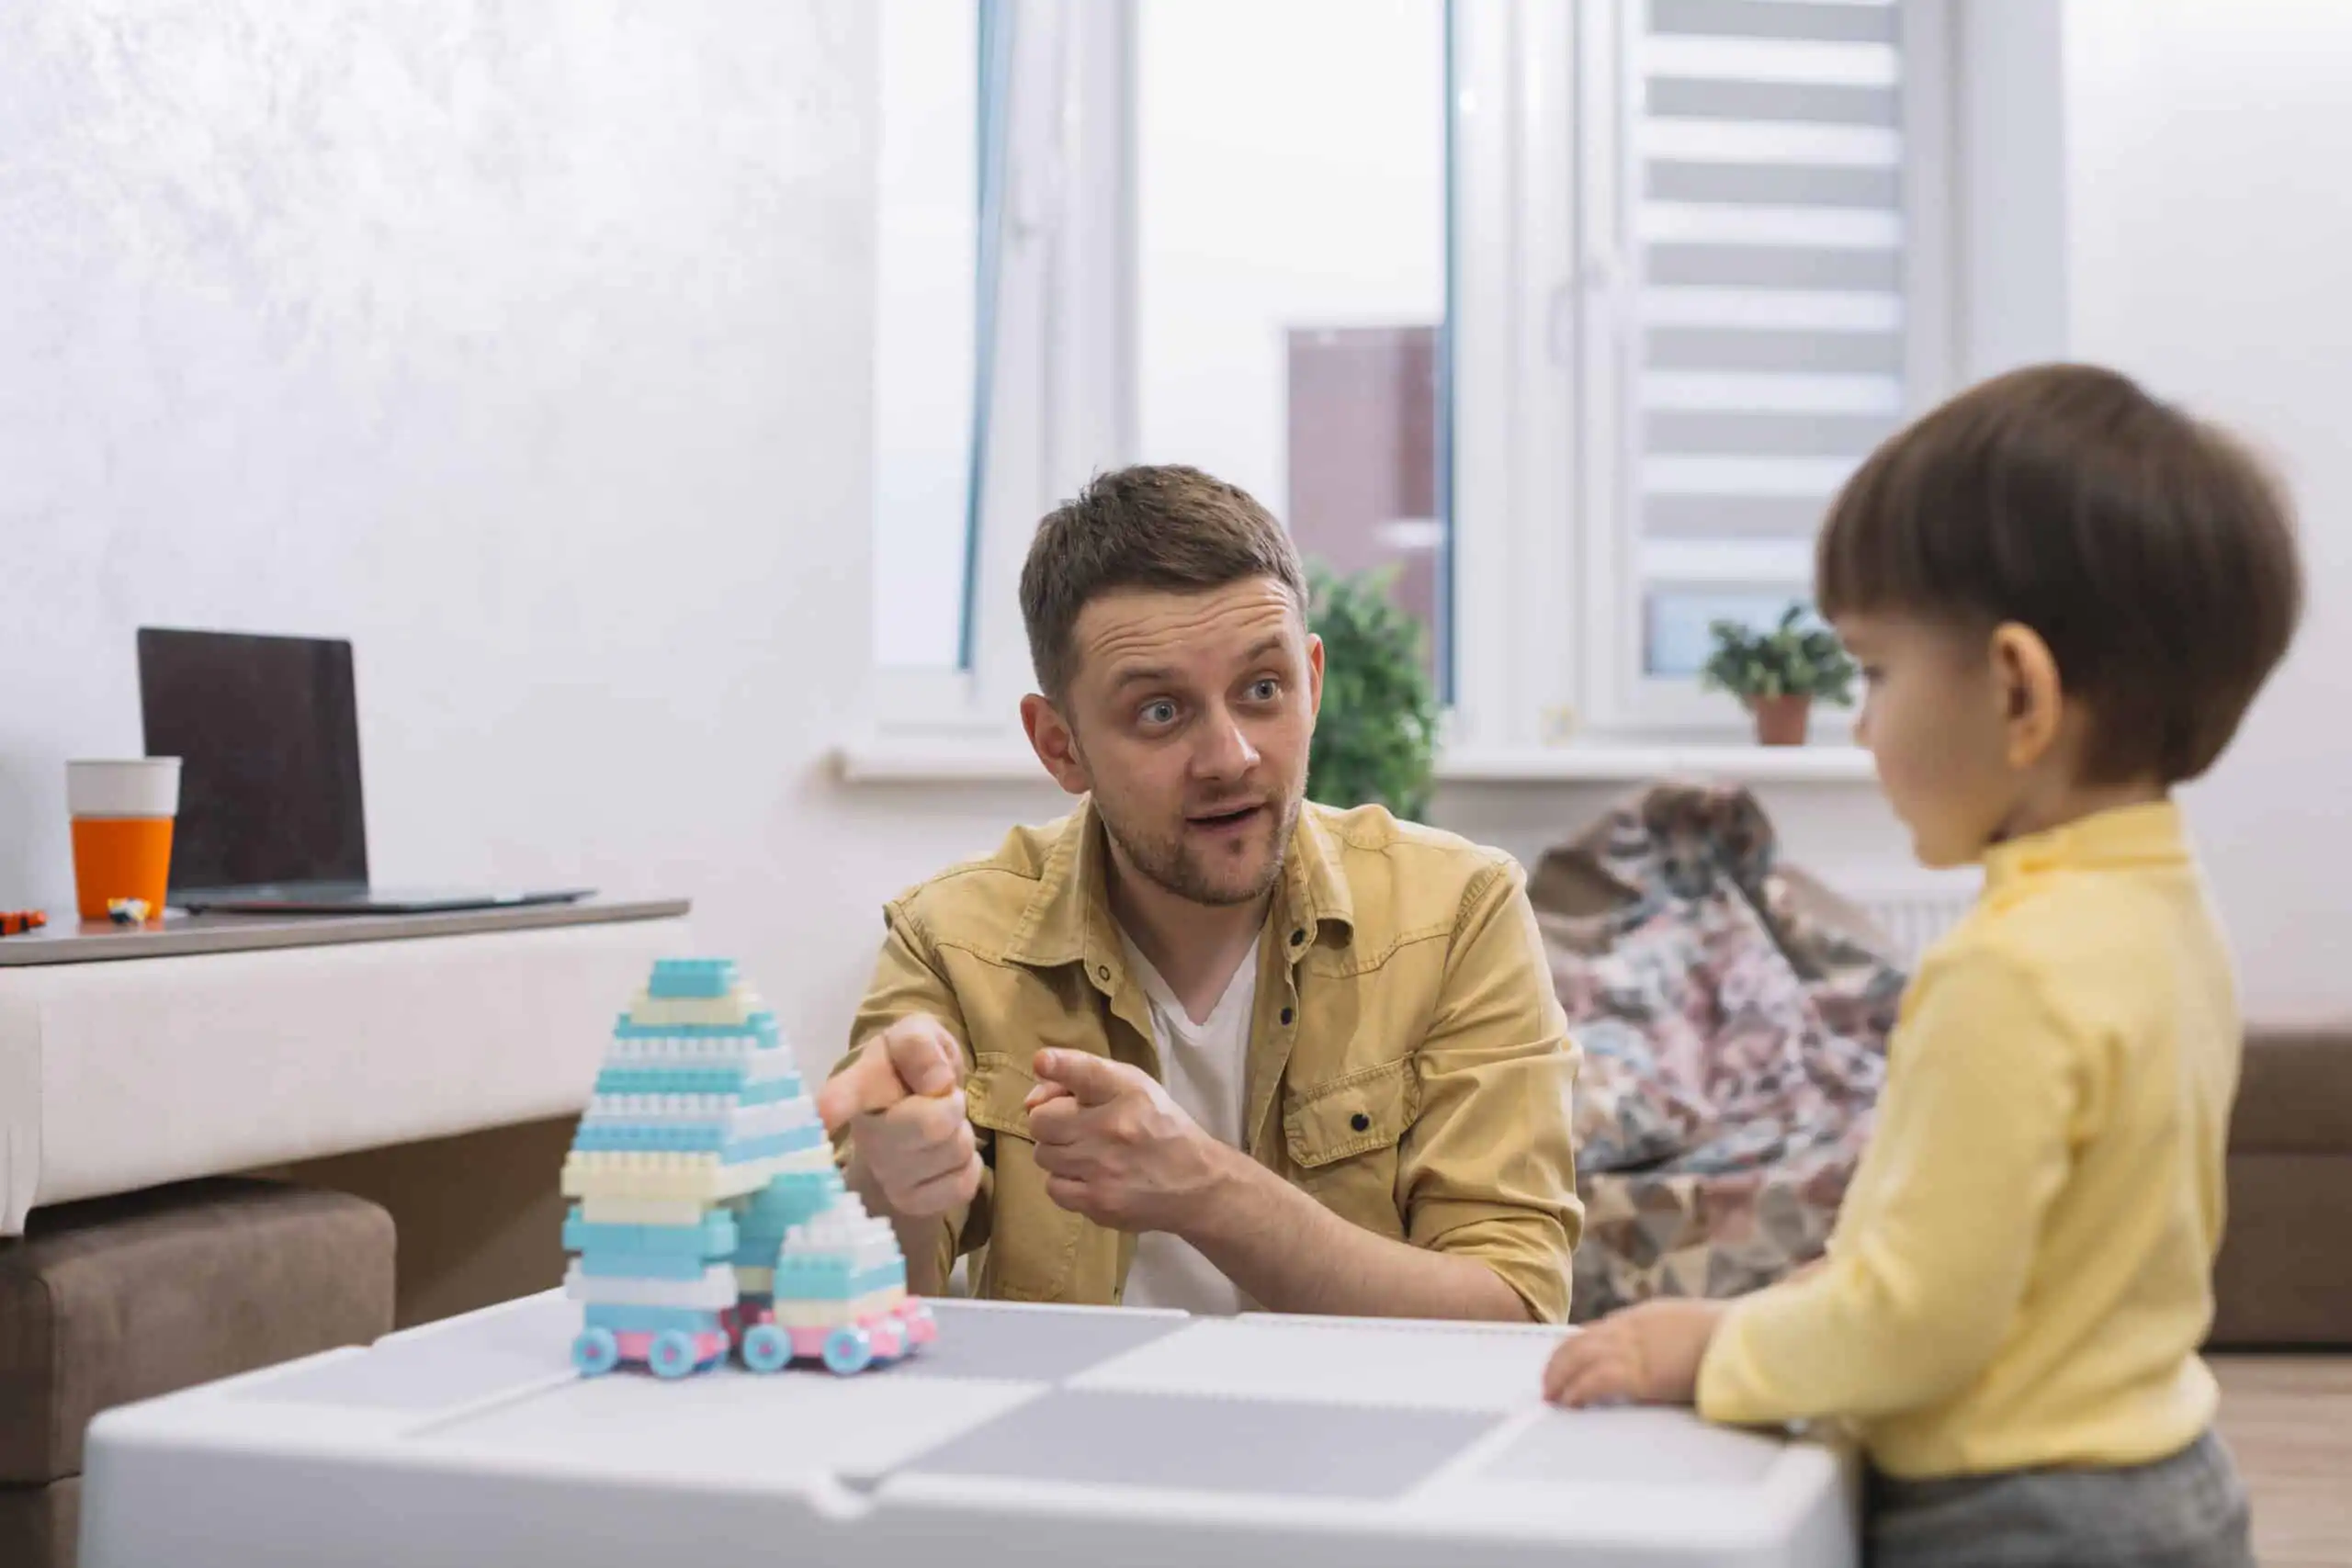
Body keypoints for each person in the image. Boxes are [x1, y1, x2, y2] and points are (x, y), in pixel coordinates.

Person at [1542, 364, 2302, 1567]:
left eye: (1876, 671)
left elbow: (1919, 1325)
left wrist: (1703, 1347)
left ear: (2018, 691)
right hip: (2170, 1473)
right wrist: (1815, 1287)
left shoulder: (2007, 969)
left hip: (2020, 1518)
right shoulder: (2168, 909)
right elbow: (2047, 1238)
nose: (1859, 722)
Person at [816, 464, 1579, 1322]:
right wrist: (891, 1188)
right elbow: (862, 1307)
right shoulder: (950, 939)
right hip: (1064, 1445)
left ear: (1313, 682)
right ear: (1060, 746)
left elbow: (1513, 1310)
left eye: (1262, 690)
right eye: (1160, 712)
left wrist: (1208, 1190)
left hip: (1359, 1442)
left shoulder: (1458, 914)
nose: (1231, 757)